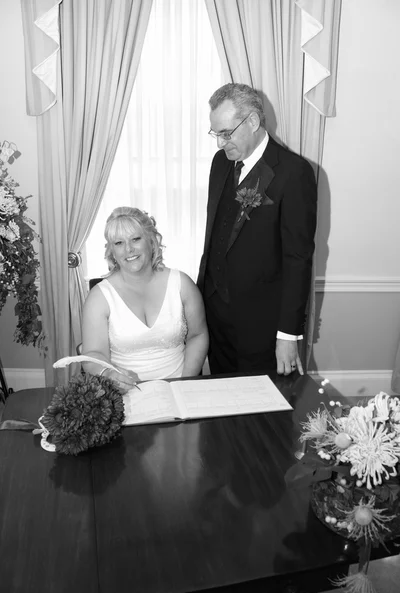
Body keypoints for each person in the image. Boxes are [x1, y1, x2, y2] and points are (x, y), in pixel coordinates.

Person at [197, 83, 317, 377]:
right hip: (215, 319)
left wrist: (288, 336)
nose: (220, 144)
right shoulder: (220, 163)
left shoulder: (294, 172)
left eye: (226, 133)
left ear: (252, 121)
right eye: (216, 134)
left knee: (264, 417)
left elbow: (297, 259)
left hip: (262, 329)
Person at [82, 206, 208, 392]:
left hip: (180, 390)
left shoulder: (182, 284)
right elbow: (93, 353)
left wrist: (185, 382)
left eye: (135, 239)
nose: (128, 249)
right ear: (112, 251)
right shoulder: (99, 297)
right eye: (119, 243)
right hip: (125, 395)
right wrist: (109, 375)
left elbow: (198, 335)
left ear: (151, 240)